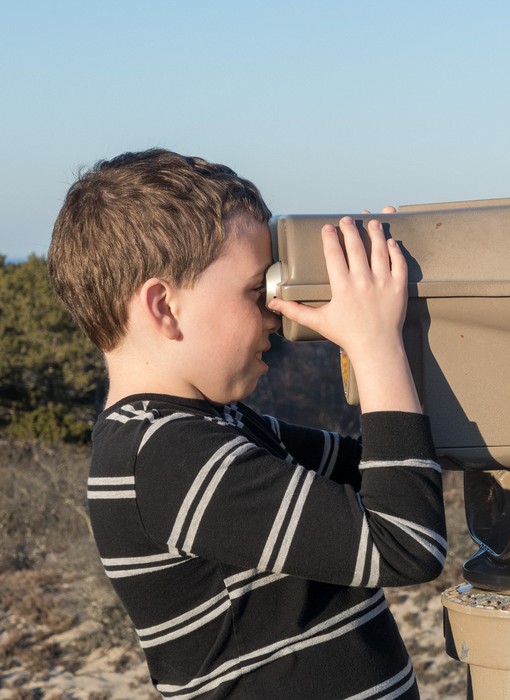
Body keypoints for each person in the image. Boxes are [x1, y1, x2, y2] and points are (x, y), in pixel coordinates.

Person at [47, 149, 447, 699]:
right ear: (164, 307)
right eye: (257, 292)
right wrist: (376, 346)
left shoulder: (206, 429)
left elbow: (384, 466)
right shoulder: (167, 461)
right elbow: (405, 542)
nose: (276, 315)